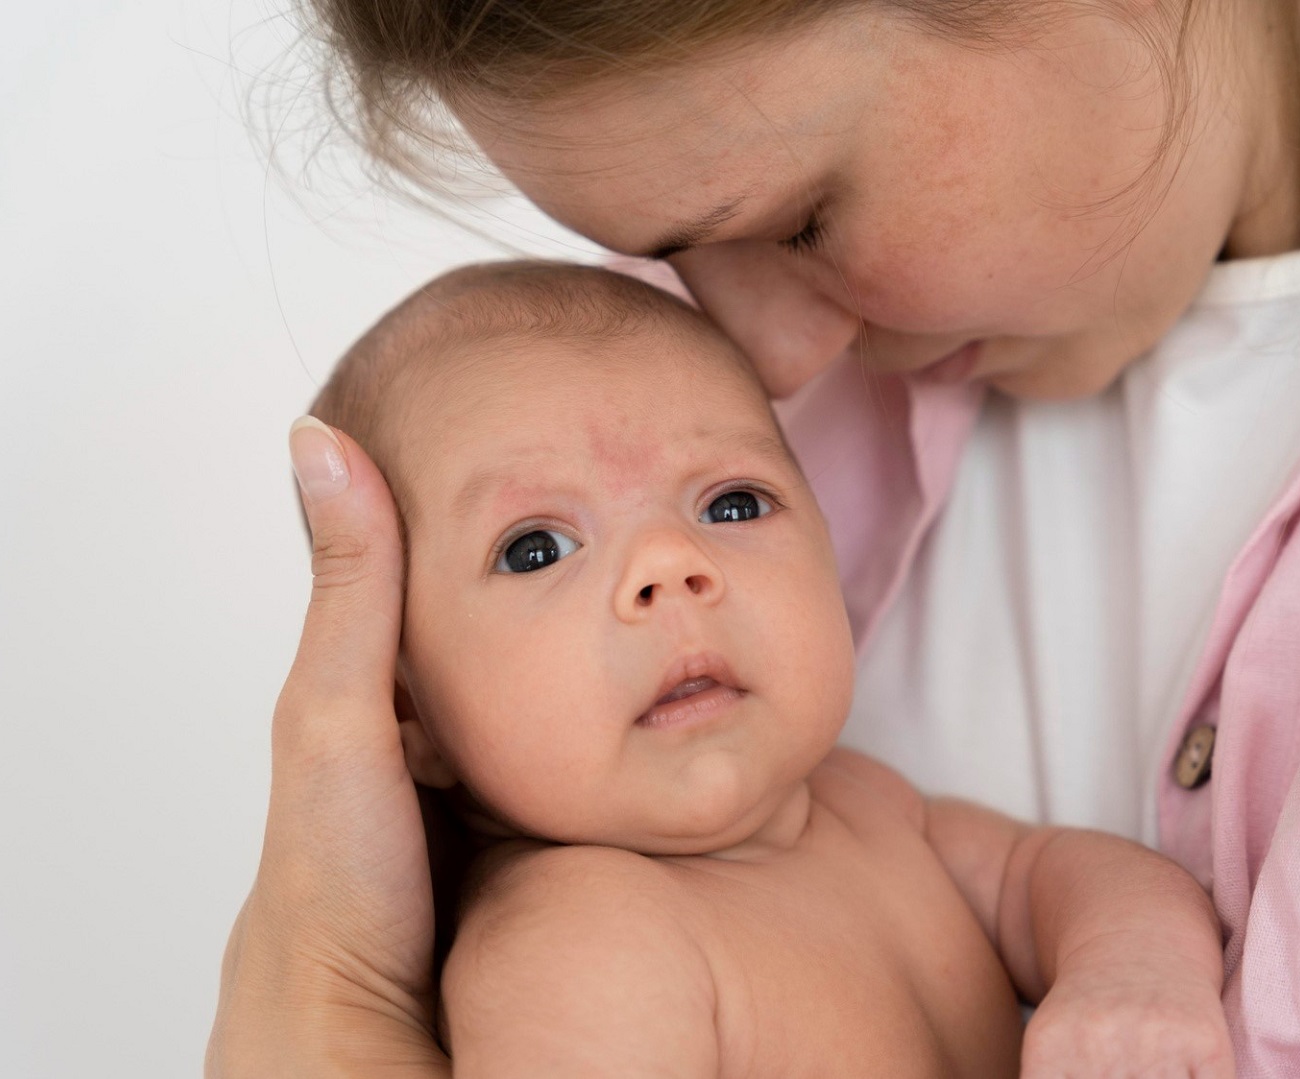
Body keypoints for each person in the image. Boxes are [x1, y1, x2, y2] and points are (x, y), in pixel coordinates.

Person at [211, 0, 1300, 1074]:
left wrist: (1127, 974)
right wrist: (329, 990)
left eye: (800, 218)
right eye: (682, 262)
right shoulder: (626, 441)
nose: (762, 364)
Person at [288, 258, 1231, 1076]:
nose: (669, 566)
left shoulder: (873, 810)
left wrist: (1129, 970)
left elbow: (1060, 874)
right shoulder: (580, 938)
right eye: (537, 547)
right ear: (409, 714)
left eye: (733, 504)